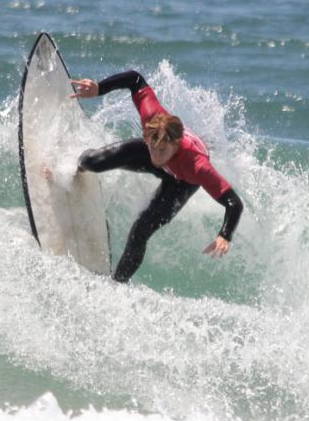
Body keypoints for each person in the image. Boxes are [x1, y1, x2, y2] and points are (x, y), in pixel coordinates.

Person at [68, 70, 243, 283]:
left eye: (161, 151)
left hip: (180, 182)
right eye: (152, 147)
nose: (155, 155)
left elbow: (233, 203)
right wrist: (99, 88)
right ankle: (73, 168)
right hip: (161, 148)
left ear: (176, 144)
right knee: (93, 162)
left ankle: (117, 284)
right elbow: (134, 79)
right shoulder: (152, 121)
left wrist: (225, 235)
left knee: (140, 231)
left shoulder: (197, 167)